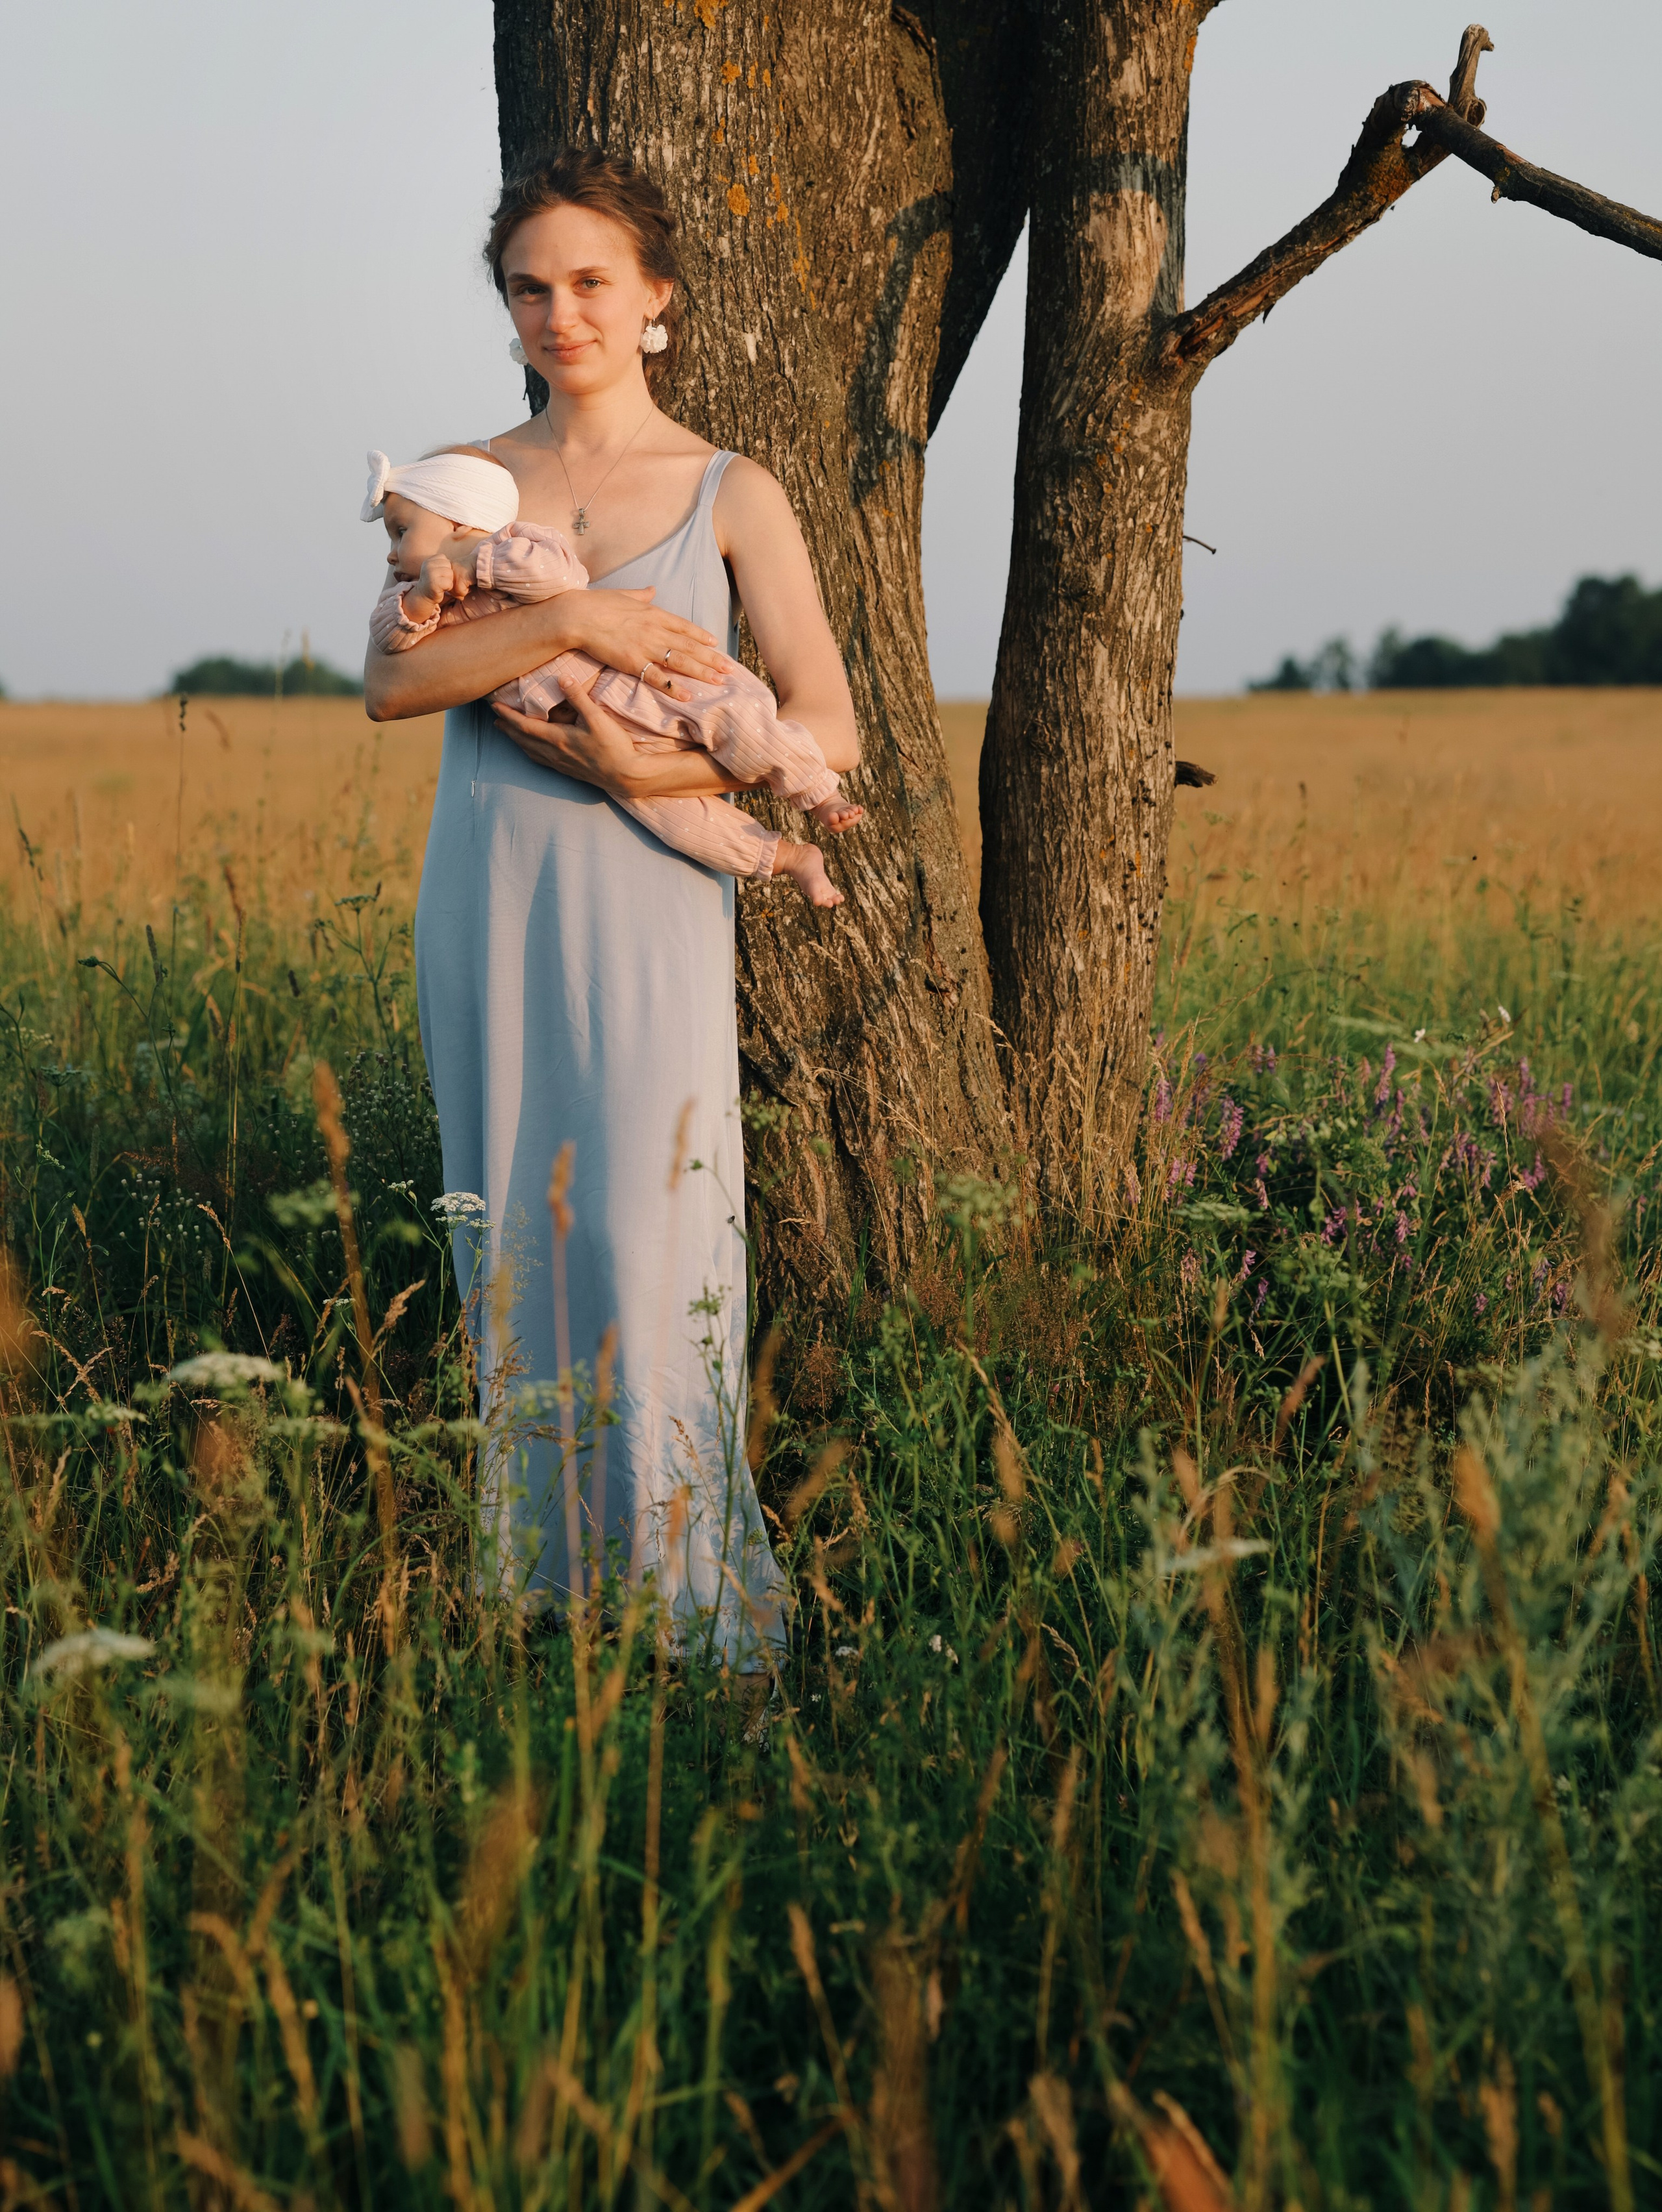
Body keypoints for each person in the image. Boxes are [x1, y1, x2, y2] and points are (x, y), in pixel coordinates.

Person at [365, 147, 859, 1669]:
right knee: (506, 1241)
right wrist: (574, 615)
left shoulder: (729, 489)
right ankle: (542, 1613)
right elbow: (391, 683)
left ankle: (690, 1612)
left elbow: (826, 727)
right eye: (529, 284)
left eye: (589, 281)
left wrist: (639, 758)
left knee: (651, 1242)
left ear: (656, 300)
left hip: (647, 911)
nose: (557, 309)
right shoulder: (462, 482)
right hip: (489, 900)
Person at [361, 443, 862, 906]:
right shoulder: (420, 587)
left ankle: (817, 790)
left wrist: (478, 562)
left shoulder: (511, 540)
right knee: (678, 820)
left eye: (400, 532)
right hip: (570, 748)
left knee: (739, 725)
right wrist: (423, 599)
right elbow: (389, 660)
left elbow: (558, 577)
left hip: (630, 690)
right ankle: (785, 858)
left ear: (459, 521)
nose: (390, 552)